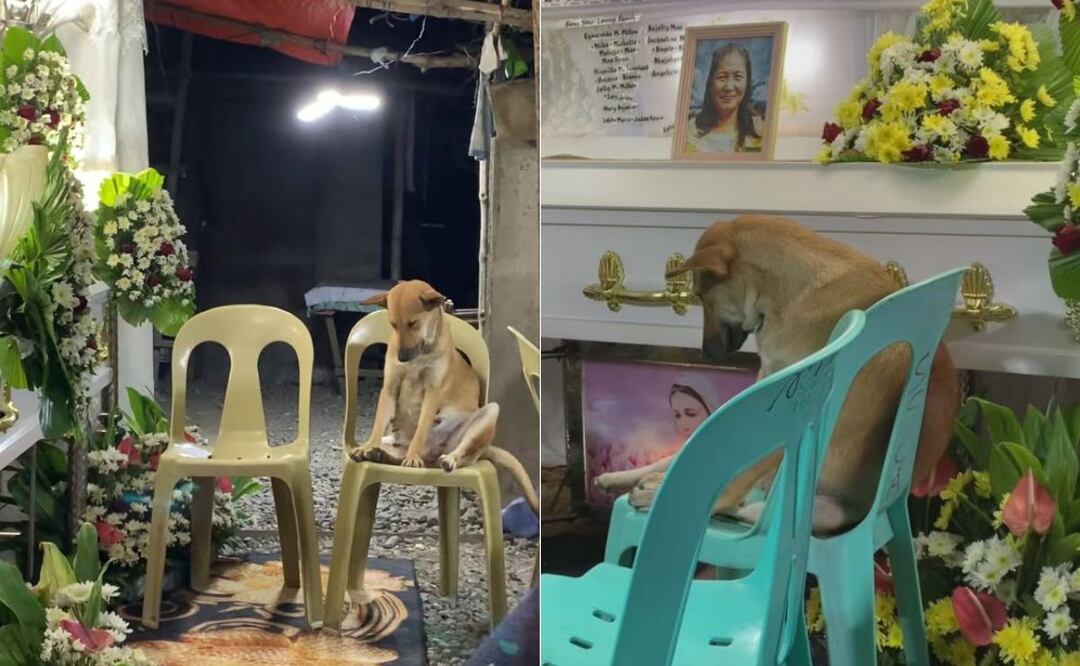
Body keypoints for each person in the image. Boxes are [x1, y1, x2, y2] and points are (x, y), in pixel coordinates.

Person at [685, 43, 766, 154]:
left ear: (747, 82)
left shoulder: (760, 130)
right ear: (711, 83)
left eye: (737, 77)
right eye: (722, 77)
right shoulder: (691, 130)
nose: (728, 87)